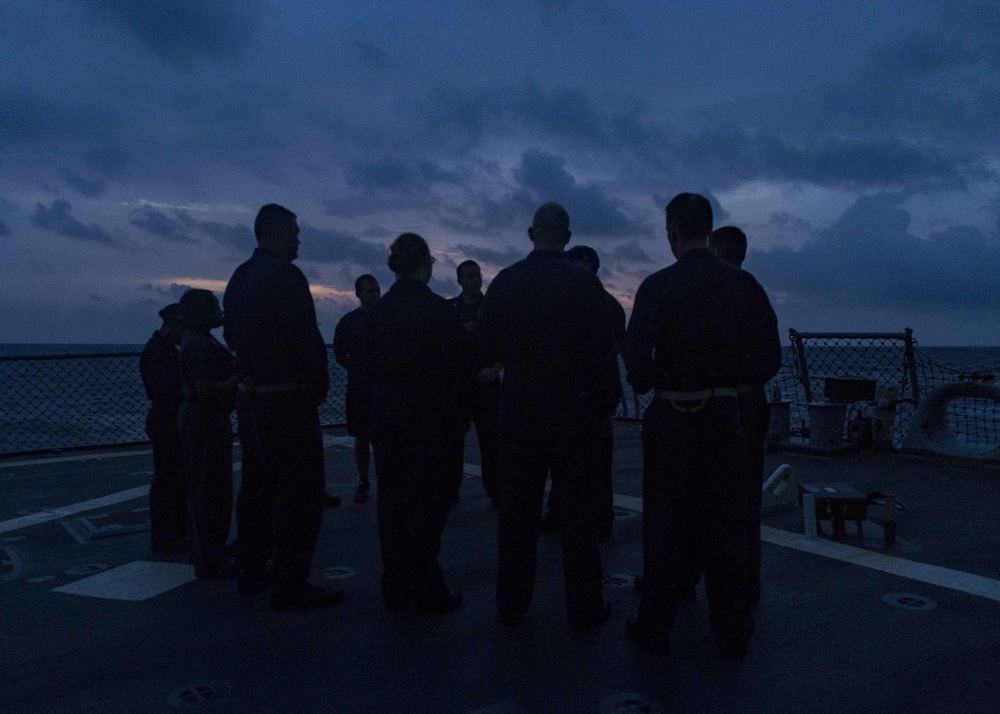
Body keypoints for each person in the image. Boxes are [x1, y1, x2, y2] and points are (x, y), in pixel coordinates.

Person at [623, 193, 781, 660]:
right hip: (723, 418)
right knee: (726, 524)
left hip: (671, 416)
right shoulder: (743, 286)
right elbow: (769, 359)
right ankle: (732, 631)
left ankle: (655, 626)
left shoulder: (656, 286)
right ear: (708, 232)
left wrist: (655, 379)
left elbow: (634, 357)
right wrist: (731, 380)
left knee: (664, 524)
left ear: (672, 232)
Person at [478, 202, 618, 631]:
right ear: (568, 237)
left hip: (520, 407)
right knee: (578, 514)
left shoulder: (506, 283)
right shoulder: (586, 286)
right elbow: (605, 351)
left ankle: (511, 603)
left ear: (530, 233)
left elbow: (487, 346)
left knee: (518, 513)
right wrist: (602, 405)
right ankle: (585, 605)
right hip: (573, 410)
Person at [223, 203, 343, 611]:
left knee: (256, 488)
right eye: (293, 232)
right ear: (275, 233)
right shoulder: (287, 277)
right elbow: (306, 337)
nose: (298, 240)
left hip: (251, 401)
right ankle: (292, 582)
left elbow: (232, 337)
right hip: (288, 398)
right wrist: (318, 384)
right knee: (300, 492)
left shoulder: (239, 278)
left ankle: (252, 569)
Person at [357, 233, 470, 614]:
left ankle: (396, 585)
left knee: (392, 503)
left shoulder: (377, 315)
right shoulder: (440, 312)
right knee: (430, 502)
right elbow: (461, 368)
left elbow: (365, 370)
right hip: (431, 417)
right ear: (427, 263)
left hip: (388, 416)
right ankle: (426, 585)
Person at [541, 245, 624, 541]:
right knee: (560, 458)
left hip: (594, 396)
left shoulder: (606, 306)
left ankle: (602, 518)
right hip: (569, 394)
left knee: (598, 462)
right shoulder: (602, 304)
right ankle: (561, 510)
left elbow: (612, 349)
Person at [709, 225, 771, 607]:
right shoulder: (754, 291)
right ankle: (746, 583)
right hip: (751, 404)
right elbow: (772, 359)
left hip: (714, 405)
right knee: (745, 501)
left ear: (715, 250)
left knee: (697, 497)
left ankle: (683, 580)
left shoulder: (712, 291)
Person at [177, 289, 239, 579]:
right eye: (215, 306)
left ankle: (206, 550)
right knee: (211, 488)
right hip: (206, 420)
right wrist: (238, 378)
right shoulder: (201, 345)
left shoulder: (196, 340)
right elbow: (206, 388)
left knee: (205, 486)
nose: (219, 311)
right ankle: (210, 558)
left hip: (201, 419)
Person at [448, 260, 501, 505]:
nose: (475, 280)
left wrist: (495, 369)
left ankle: (495, 490)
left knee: (491, 441)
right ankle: (450, 490)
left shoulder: (493, 308)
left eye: (477, 275)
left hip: (486, 383)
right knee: (453, 441)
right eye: (469, 276)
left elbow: (508, 342)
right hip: (458, 385)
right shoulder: (450, 310)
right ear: (459, 280)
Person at [139, 303, 188, 554]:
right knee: (168, 481)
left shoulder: (163, 350)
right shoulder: (159, 352)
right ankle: (166, 536)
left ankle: (173, 532)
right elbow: (162, 390)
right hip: (166, 421)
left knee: (173, 480)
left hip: (167, 420)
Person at [333, 274, 381, 504]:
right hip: (361, 388)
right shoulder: (348, 322)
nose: (374, 294)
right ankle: (364, 479)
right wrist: (357, 367)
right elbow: (340, 354)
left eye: (376, 290)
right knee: (362, 436)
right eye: (370, 290)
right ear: (359, 294)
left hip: (383, 387)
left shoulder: (389, 318)